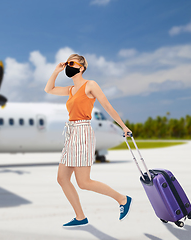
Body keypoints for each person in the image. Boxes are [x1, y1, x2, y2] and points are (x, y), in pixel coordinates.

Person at [44, 54, 133, 227]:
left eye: (72, 63)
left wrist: (123, 126)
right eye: (67, 63)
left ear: (82, 67)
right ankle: (80, 217)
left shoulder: (90, 85)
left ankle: (122, 199)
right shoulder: (70, 89)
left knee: (84, 182)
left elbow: (107, 106)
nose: (68, 66)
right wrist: (56, 71)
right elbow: (49, 89)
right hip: (71, 133)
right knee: (62, 178)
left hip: (83, 132)